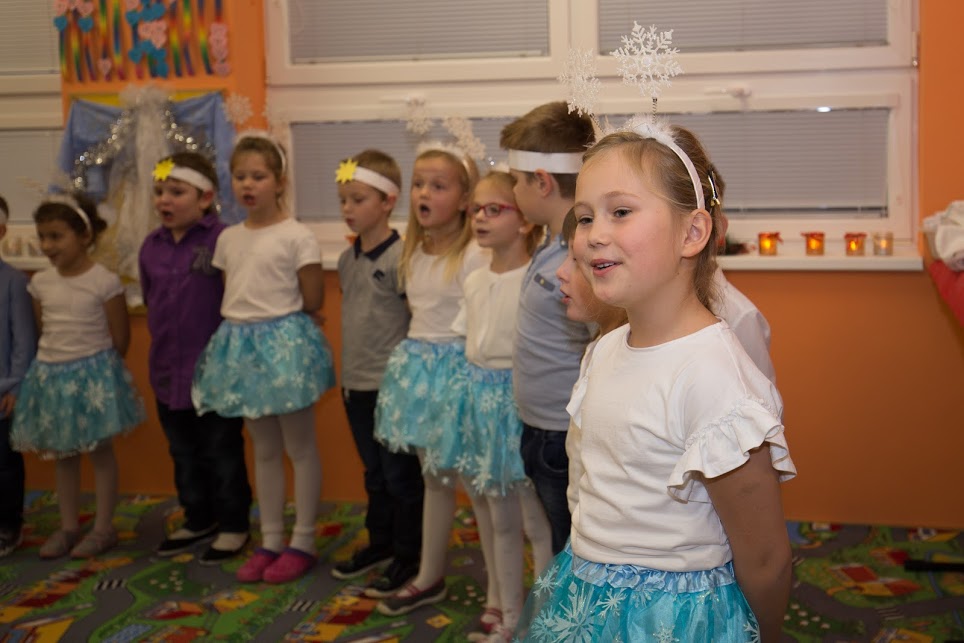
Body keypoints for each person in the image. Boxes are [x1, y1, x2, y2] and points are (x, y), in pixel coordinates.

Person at [515, 124, 796, 642]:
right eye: (585, 217)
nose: (593, 234)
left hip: (673, 621)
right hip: (588, 598)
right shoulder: (603, 350)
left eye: (620, 211)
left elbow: (765, 559)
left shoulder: (712, 375)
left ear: (692, 233)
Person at [192, 131, 335, 584]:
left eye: (258, 176)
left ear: (279, 181)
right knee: (265, 449)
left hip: (284, 348)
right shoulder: (228, 238)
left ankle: (303, 540)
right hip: (241, 349)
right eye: (240, 176)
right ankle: (271, 538)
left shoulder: (296, 235)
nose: (248, 185)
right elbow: (230, 291)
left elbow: (313, 297)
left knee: (299, 447)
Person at [373, 144, 488, 616]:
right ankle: (429, 574)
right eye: (419, 184)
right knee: (434, 479)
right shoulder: (412, 251)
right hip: (418, 376)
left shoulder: (475, 254)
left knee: (478, 485)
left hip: (460, 375)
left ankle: (501, 593)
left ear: (464, 199)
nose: (424, 193)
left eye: (438, 186)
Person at [11, 192, 145, 559]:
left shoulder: (104, 281)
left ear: (84, 236)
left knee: (100, 452)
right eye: (42, 237)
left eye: (56, 236)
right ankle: (68, 526)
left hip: (93, 378)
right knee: (63, 454)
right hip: (53, 378)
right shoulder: (40, 282)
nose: (47, 245)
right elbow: (43, 329)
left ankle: (103, 528)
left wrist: (97, 373)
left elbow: (120, 338)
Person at [452, 171, 552, 642]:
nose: (481, 218)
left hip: (519, 406)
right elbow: (467, 341)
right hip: (480, 407)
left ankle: (546, 615)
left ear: (525, 221)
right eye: (476, 209)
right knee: (498, 518)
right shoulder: (474, 279)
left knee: (536, 519)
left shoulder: (534, 279)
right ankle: (509, 616)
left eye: (495, 209)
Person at [140, 152, 252, 564]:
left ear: (205, 198)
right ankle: (198, 516)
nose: (164, 200)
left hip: (214, 372)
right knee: (183, 452)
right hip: (168, 372)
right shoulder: (151, 247)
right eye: (159, 192)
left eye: (176, 192)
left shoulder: (223, 240)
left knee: (221, 451)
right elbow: (151, 299)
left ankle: (234, 523)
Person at [501, 101, 596, 554]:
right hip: (537, 424)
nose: (513, 191)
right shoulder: (549, 243)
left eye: (516, 181)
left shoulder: (578, 258)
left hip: (560, 432)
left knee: (571, 542)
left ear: (541, 182)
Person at [331, 150, 426, 599]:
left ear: (388, 202)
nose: (347, 209)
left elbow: (415, 319)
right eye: (343, 200)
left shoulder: (401, 259)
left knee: (400, 476)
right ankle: (381, 543)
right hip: (356, 385)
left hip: (393, 387)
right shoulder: (346, 259)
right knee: (374, 473)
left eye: (358, 199)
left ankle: (410, 554)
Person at [0, 195, 36, 558]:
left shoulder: (13, 281)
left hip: (3, 391)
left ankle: (8, 523)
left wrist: (16, 384)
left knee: (4, 464)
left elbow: (24, 339)